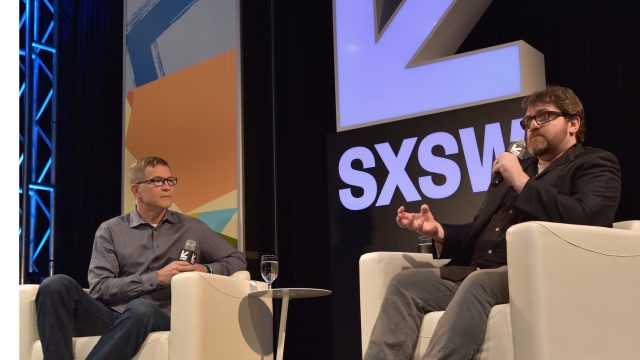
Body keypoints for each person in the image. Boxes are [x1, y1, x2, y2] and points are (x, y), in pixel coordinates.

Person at [363, 86, 622, 359]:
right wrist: (438, 231)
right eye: (527, 120)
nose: (532, 126)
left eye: (543, 117)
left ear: (573, 123)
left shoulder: (595, 163)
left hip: (539, 273)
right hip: (478, 271)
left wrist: (521, 181)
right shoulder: (519, 170)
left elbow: (586, 219)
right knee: (405, 284)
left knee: (480, 282)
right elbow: (481, 230)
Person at [35, 156, 247, 360]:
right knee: (55, 285)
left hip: (160, 316)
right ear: (136, 190)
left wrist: (205, 270)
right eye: (157, 181)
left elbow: (236, 259)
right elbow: (100, 288)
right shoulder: (111, 230)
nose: (167, 187)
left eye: (171, 180)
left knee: (141, 308)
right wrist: (156, 278)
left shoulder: (192, 228)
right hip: (113, 315)